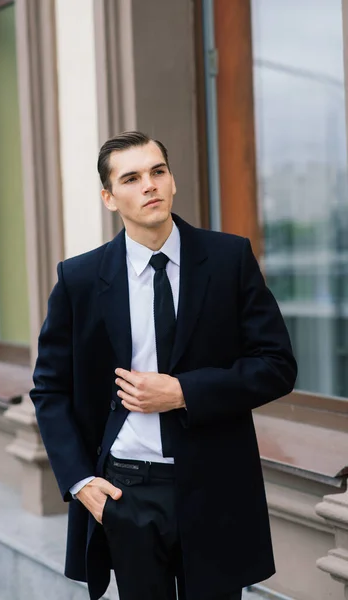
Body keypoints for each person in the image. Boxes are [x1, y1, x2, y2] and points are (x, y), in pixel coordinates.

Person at [30, 131, 297, 600]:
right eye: (131, 178)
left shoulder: (229, 258)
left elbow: (276, 365)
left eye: (158, 172)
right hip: (125, 492)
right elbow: (49, 390)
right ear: (109, 197)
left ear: (173, 182)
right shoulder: (80, 279)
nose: (149, 185)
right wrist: (80, 481)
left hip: (214, 486)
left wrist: (183, 392)